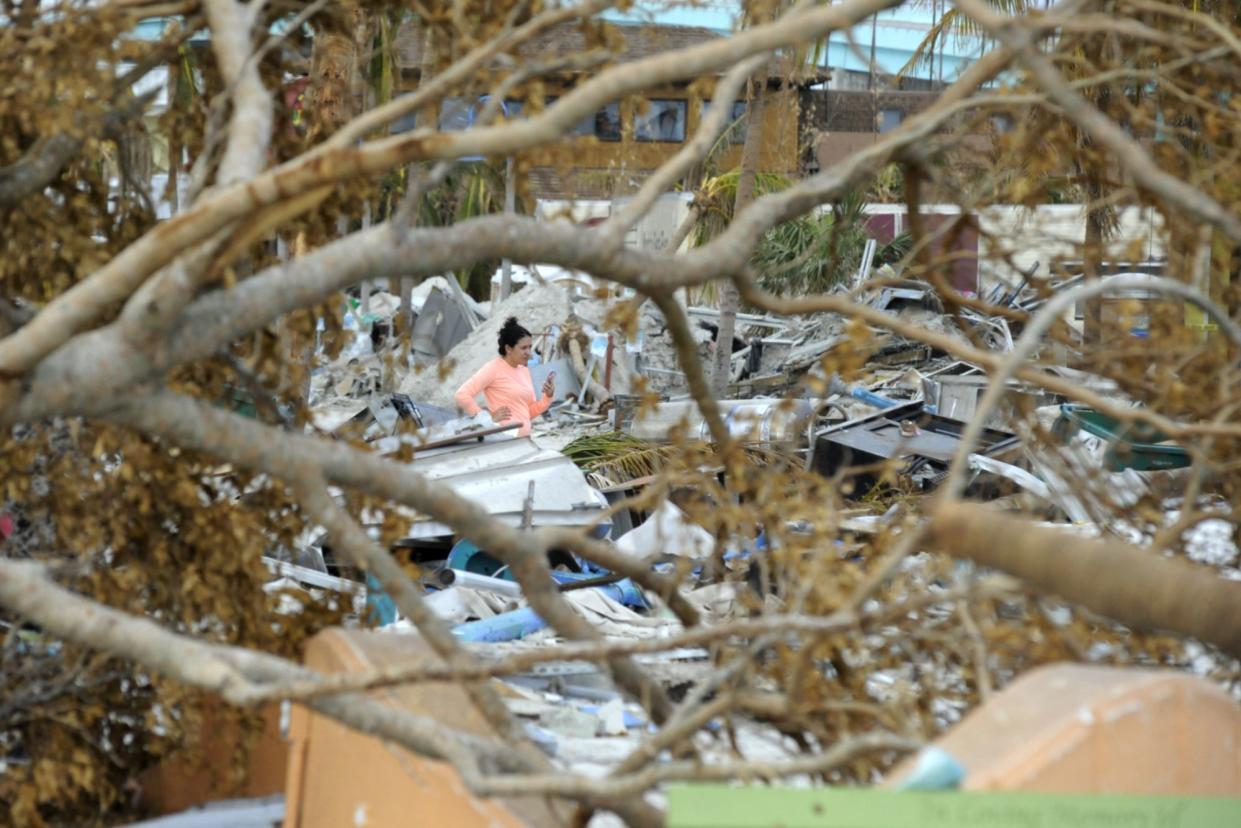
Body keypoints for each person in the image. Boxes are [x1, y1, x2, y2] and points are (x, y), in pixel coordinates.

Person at [454, 317, 556, 437]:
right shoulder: (493, 368)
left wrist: (547, 397)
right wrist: (487, 419)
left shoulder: (523, 370)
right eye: (523, 348)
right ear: (508, 349)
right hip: (503, 442)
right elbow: (461, 395)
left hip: (523, 441)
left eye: (529, 347)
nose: (529, 352)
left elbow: (527, 413)